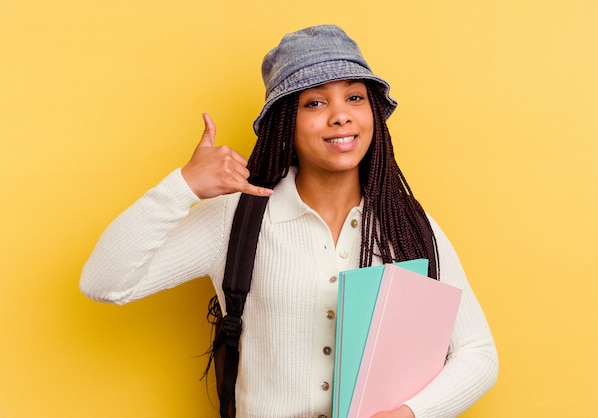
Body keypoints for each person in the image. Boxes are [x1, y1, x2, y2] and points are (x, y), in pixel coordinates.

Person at [80, 25, 498, 418]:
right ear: (285, 123)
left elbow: (478, 353)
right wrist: (183, 186)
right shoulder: (236, 219)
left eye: (354, 98)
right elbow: (104, 283)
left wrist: (410, 414)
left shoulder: (405, 223)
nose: (340, 116)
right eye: (314, 102)